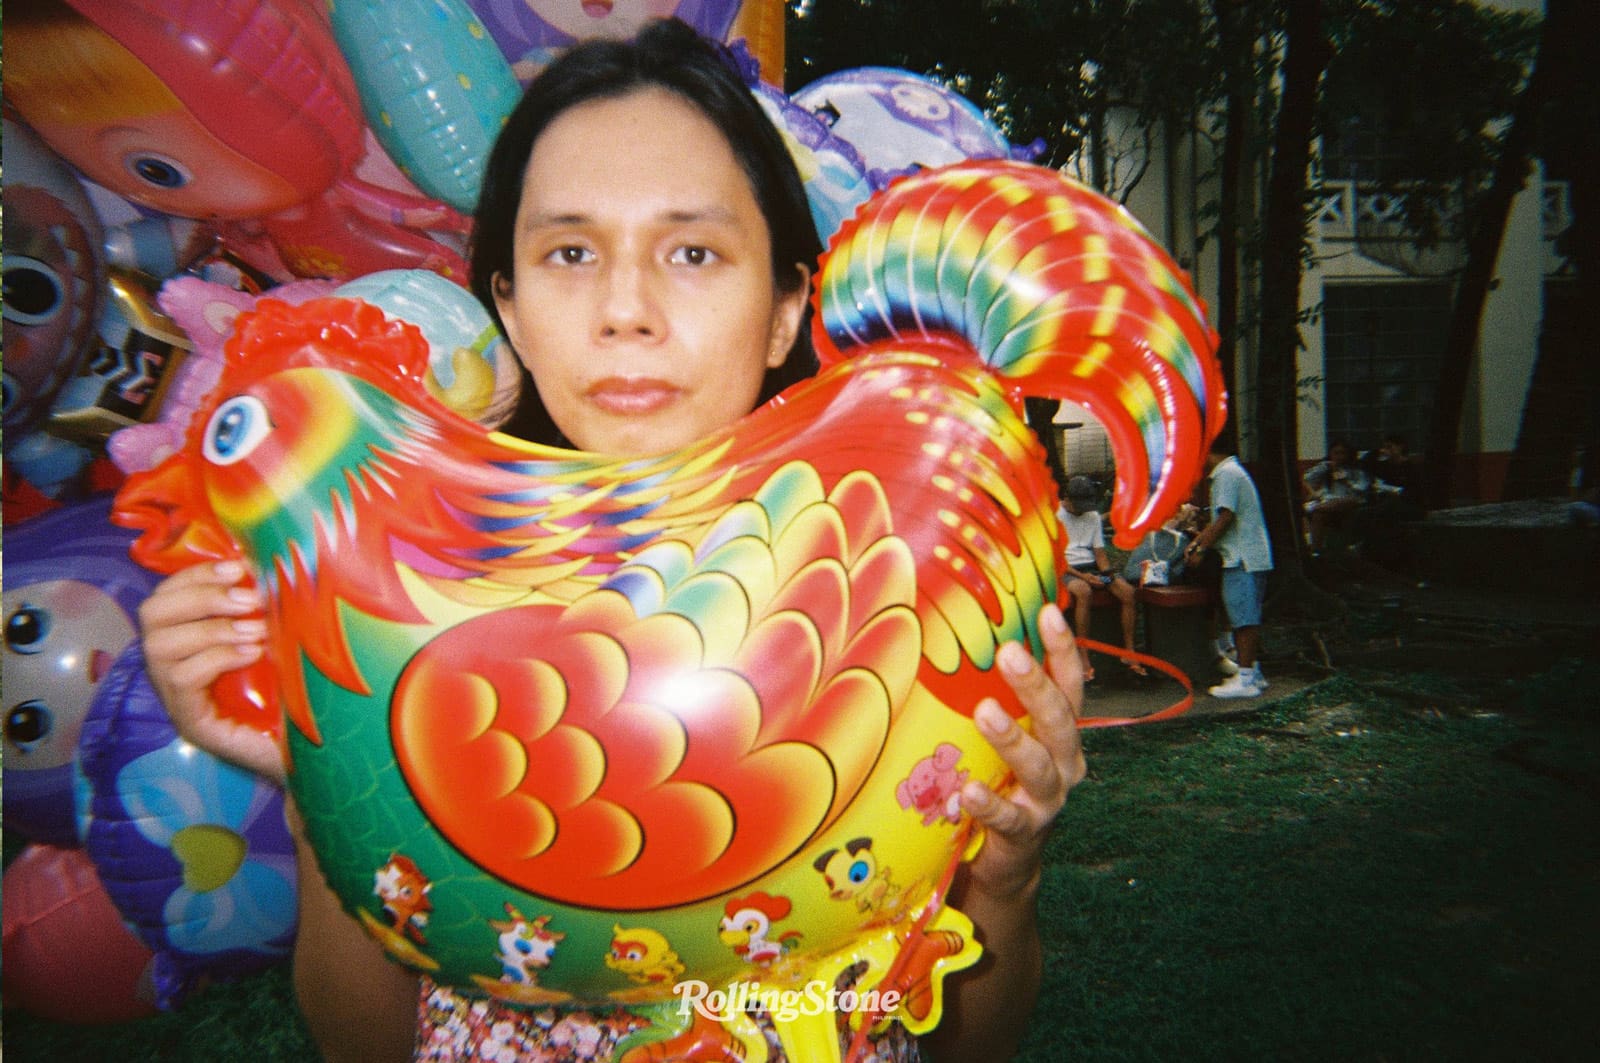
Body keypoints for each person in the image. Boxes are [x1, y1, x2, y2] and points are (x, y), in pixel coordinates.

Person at [136, 20, 1085, 1063]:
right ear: (509, 305)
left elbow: (972, 1046)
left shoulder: (892, 582)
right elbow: (361, 1045)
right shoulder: (409, 594)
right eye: (571, 253)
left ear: (784, 308)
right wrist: (319, 775)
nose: (626, 310)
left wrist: (1006, 876)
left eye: (693, 252)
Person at [1184, 439, 1274, 699]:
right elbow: (1219, 521)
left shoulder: (1226, 474)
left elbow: (1225, 517)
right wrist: (1198, 541)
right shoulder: (1231, 472)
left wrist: (1201, 550)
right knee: (1246, 616)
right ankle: (1252, 672)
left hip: (1242, 558)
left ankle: (1245, 680)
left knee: (1243, 619)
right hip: (1248, 555)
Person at [1058, 475, 1145, 680]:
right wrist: (1083, 576)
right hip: (1067, 570)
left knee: (1127, 591)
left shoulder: (1092, 516)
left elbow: (1100, 555)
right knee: (1084, 591)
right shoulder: (1054, 514)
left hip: (1092, 570)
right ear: (1067, 498)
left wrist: (1108, 575)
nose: (1083, 510)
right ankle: (1083, 655)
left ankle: (1129, 651)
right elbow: (1055, 559)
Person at [1301, 439, 1369, 555]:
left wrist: (1346, 481)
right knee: (1319, 514)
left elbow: (1362, 489)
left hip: (1351, 499)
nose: (1339, 457)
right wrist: (1314, 491)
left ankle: (1314, 509)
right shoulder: (1326, 467)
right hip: (1329, 501)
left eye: (1342, 453)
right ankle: (1316, 549)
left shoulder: (1356, 469)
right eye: (1335, 453)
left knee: (1321, 507)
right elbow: (1307, 479)